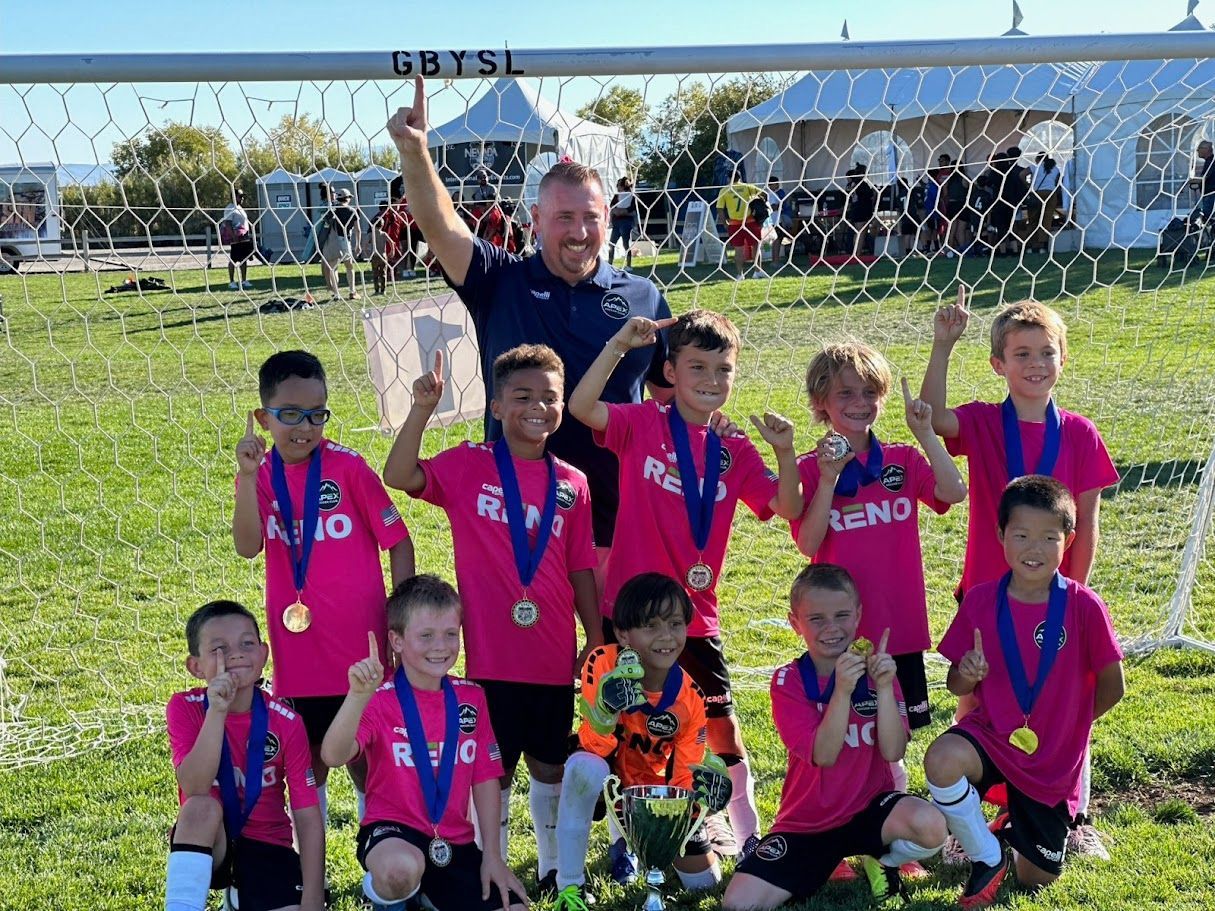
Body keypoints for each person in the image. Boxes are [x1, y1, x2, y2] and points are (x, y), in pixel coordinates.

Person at [387, 77, 673, 570]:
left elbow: (668, 404)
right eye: (564, 218)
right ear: (535, 219)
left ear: (609, 216)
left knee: (613, 646)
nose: (579, 232)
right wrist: (415, 153)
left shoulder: (643, 296)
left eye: (590, 217)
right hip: (516, 515)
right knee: (531, 641)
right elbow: (440, 225)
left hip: (616, 517)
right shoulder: (498, 281)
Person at [568, 309, 803, 859]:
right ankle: (626, 843)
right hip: (627, 617)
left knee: (721, 730)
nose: (711, 381)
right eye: (697, 366)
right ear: (671, 371)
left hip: (695, 617)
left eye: (724, 369)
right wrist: (619, 345)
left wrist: (786, 452)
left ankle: (749, 838)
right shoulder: (642, 423)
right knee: (623, 731)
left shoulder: (735, 448)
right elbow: (580, 408)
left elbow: (787, 506)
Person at [382, 343, 600, 890]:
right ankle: (489, 864)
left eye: (550, 397)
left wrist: (595, 637)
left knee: (551, 765)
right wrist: (421, 411)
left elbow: (579, 570)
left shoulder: (572, 484)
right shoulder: (467, 466)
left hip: (550, 654)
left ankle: (551, 864)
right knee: (491, 770)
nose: (538, 407)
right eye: (522, 396)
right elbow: (398, 472)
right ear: (496, 406)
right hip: (487, 658)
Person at [920, 290, 1120, 855]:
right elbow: (934, 417)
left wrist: (1076, 595)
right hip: (990, 595)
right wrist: (943, 345)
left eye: (1046, 353)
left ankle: (1072, 818)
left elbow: (1087, 522)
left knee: (1067, 708)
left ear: (1062, 360)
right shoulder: (984, 422)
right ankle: (971, 828)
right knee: (977, 698)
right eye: (1022, 353)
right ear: (998, 364)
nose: (1036, 365)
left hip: (1057, 602)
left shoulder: (1079, 433)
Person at [791, 342, 966, 860]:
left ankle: (892, 836)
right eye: (846, 392)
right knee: (848, 736)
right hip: (839, 636)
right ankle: (848, 836)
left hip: (900, 631)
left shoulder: (903, 460)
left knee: (895, 737)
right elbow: (807, 541)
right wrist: (826, 479)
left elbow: (954, 492)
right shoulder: (810, 467)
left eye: (870, 392)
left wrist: (926, 433)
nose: (860, 401)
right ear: (821, 402)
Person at [232, 350, 415, 829]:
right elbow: (248, 546)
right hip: (298, 652)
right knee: (307, 767)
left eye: (316, 414)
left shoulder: (348, 468)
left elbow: (398, 541)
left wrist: (402, 619)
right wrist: (248, 479)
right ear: (263, 418)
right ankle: (304, 874)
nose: (304, 427)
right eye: (289, 415)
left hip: (361, 649)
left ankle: (377, 859)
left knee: (366, 761)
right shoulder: (260, 476)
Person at [924, 476, 1125, 907]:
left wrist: (1069, 726)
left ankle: (1018, 829)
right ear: (1000, 536)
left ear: (1067, 541)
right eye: (1021, 535)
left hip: (1051, 761)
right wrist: (968, 674)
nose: (1034, 548)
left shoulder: (1083, 605)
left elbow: (1113, 686)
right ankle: (986, 853)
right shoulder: (980, 601)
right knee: (941, 760)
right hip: (993, 738)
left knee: (1035, 880)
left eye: (1048, 537)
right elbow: (954, 683)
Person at [722, 564, 948, 911]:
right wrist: (841, 692)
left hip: (870, 809)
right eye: (816, 619)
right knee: (739, 904)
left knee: (931, 826)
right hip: (808, 822)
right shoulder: (789, 681)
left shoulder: (878, 672)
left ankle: (882, 860)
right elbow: (824, 755)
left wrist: (885, 688)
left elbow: (893, 750)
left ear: (858, 615)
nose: (831, 628)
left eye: (842, 615)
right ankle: (822, 864)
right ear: (795, 623)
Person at [320, 575, 529, 911]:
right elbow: (332, 755)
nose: (441, 646)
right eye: (426, 636)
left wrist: (492, 855)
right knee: (399, 872)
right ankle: (392, 900)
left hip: (453, 841)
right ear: (397, 640)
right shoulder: (379, 698)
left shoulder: (471, 698)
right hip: (392, 836)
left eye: (450, 634)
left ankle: (426, 898)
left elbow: (485, 777)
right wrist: (357, 696)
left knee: (515, 908)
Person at [550, 572, 732, 908]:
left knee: (704, 883)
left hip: (653, 794)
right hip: (607, 780)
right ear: (623, 633)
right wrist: (606, 710)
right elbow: (593, 746)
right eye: (651, 626)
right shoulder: (602, 663)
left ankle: (636, 845)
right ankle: (570, 888)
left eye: (675, 624)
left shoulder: (691, 698)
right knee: (582, 769)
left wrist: (700, 801)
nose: (666, 637)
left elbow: (683, 776)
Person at [165, 600, 324, 911]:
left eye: (247, 643)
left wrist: (313, 898)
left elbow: (306, 814)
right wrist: (218, 713)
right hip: (213, 842)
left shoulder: (286, 722)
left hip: (269, 844)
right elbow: (194, 786)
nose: (236, 654)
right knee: (200, 808)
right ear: (196, 666)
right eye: (219, 648)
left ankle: (242, 896)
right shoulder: (186, 707)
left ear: (264, 654)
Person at [715, 167, 767, 279]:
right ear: (740, 177)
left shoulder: (724, 190)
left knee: (738, 249)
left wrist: (724, 222)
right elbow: (764, 194)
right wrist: (759, 205)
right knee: (756, 246)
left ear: (729, 178)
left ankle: (740, 274)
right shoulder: (747, 187)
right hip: (750, 221)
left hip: (734, 223)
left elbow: (719, 208)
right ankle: (757, 271)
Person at [320, 187, 361, 301]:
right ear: (347, 198)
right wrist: (358, 245)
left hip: (333, 241)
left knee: (333, 268)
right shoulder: (352, 211)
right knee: (349, 266)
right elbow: (358, 229)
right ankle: (352, 291)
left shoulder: (333, 210)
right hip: (345, 241)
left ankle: (336, 294)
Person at [1027, 153, 1063, 254]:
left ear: (1038, 159)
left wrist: (1029, 186)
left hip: (1037, 194)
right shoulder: (1055, 169)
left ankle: (1033, 246)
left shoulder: (1035, 167)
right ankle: (1043, 245)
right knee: (1046, 220)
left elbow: (1022, 175)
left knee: (1033, 220)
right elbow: (1058, 181)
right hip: (1051, 194)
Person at [223, 188, 255, 291]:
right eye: (240, 196)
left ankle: (244, 280)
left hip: (244, 237)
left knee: (244, 259)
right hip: (236, 238)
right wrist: (233, 236)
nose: (242, 198)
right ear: (234, 196)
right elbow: (227, 224)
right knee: (233, 259)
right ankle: (232, 282)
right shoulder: (230, 208)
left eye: (242, 196)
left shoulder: (240, 208)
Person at [608, 176, 637, 271]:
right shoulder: (617, 196)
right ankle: (609, 264)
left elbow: (632, 209)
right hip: (616, 222)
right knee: (612, 243)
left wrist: (623, 211)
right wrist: (616, 212)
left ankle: (629, 265)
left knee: (626, 243)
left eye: (618, 185)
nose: (617, 187)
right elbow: (612, 206)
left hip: (626, 222)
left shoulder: (631, 196)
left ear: (623, 186)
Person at [368, 200, 395, 296]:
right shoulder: (384, 234)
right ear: (383, 225)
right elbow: (392, 242)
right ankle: (383, 290)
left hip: (374, 255)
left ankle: (376, 290)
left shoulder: (371, 234)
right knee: (383, 273)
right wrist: (392, 251)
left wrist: (367, 252)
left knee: (375, 274)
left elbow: (366, 244)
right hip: (383, 256)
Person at [766, 177, 795, 265]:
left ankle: (775, 260)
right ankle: (775, 261)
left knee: (778, 240)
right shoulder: (771, 195)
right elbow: (773, 207)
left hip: (777, 220)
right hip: (774, 221)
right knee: (777, 240)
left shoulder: (774, 194)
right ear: (770, 185)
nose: (777, 185)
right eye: (776, 184)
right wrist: (782, 203)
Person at [1190, 140, 1215, 223]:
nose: (1197, 150)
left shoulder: (1211, 162)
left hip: (1211, 196)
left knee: (1208, 220)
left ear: (1206, 149)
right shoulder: (1209, 161)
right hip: (1209, 195)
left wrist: (1188, 182)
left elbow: (1204, 177)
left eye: (1199, 148)